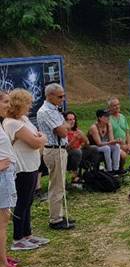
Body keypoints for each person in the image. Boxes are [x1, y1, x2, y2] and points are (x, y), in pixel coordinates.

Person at [3, 89, 49, 252]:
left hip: (32, 165)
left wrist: (40, 138)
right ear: (19, 105)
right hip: (22, 168)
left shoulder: (23, 119)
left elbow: (37, 136)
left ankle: (27, 234)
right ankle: (18, 238)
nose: (30, 106)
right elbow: (35, 142)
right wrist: (42, 138)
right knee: (22, 202)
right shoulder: (12, 123)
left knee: (29, 201)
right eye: (28, 103)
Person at [37, 83, 75, 230]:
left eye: (63, 96)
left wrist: (64, 125)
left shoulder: (54, 110)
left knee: (59, 184)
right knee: (57, 185)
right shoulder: (47, 111)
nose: (62, 99)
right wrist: (65, 126)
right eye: (60, 96)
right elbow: (63, 132)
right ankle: (55, 219)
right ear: (50, 96)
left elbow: (67, 126)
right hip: (54, 150)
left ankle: (59, 214)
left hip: (58, 149)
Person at [0, 91, 27, 267]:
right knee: (1, 223)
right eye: (5, 102)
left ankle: (2, 256)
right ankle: (2, 265)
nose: (9, 106)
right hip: (2, 176)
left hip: (6, 175)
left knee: (4, 220)